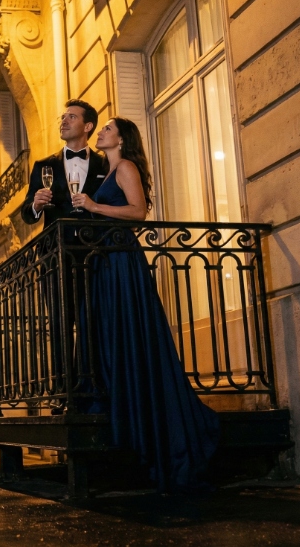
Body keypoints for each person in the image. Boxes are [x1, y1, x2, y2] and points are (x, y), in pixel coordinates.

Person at [71, 117, 220, 493]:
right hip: (108, 263)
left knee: (131, 336)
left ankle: (157, 429)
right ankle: (127, 412)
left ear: (122, 138)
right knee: (112, 338)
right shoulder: (108, 173)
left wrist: (92, 206)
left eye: (106, 128)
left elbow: (138, 212)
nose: (100, 132)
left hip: (122, 261)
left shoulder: (125, 166)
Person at [21, 100, 110, 405]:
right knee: (60, 322)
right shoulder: (43, 166)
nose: (63, 121)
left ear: (87, 126)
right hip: (54, 257)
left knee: (91, 322)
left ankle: (90, 389)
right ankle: (63, 393)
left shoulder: (104, 165)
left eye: (71, 117)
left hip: (94, 256)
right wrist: (36, 203)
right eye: (62, 117)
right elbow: (26, 214)